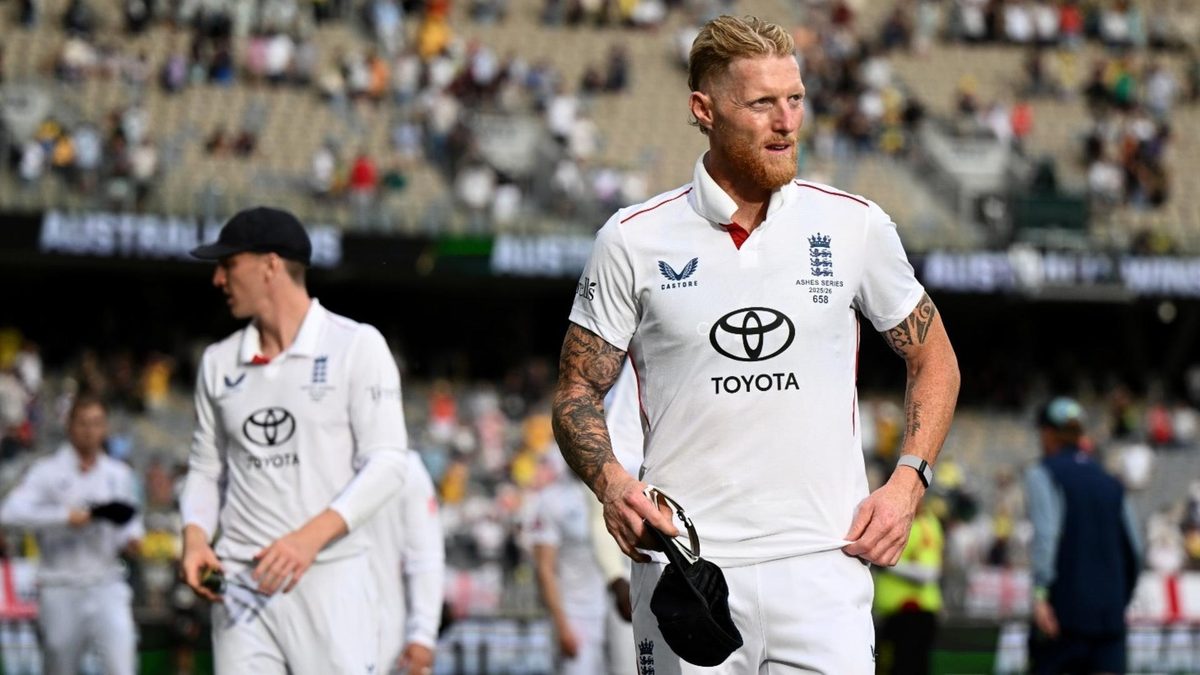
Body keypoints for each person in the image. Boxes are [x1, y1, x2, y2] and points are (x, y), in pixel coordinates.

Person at [550, 15, 960, 674]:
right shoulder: (632, 239)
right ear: (703, 110)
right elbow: (576, 392)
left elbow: (933, 356)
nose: (787, 121)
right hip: (689, 576)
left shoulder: (853, 226)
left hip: (826, 570)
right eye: (763, 103)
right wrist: (611, 481)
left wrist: (910, 479)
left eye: (794, 98)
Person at [179, 206, 409, 674]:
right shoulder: (218, 362)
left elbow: (389, 464)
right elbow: (205, 468)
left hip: (329, 577)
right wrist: (195, 539)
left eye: (228, 265)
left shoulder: (356, 345)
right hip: (239, 585)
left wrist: (307, 541)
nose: (217, 280)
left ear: (270, 265)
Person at [0, 394, 144, 675]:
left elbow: (130, 520)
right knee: (60, 667)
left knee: (122, 664)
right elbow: (9, 513)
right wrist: (64, 517)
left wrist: (133, 539)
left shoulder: (119, 474)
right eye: (83, 423)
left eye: (96, 423)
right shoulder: (47, 472)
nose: (90, 431)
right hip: (61, 585)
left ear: (105, 427)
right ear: (70, 426)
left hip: (108, 582)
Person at [1024, 397, 1142, 675]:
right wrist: (1119, 598)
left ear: (1048, 433)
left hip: (1063, 617)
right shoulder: (1111, 481)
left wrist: (1041, 596)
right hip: (1109, 619)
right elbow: (1135, 548)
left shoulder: (1044, 473)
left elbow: (1047, 535)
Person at [529, 452, 610, 675]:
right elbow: (545, 569)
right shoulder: (551, 500)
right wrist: (561, 624)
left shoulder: (611, 491)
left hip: (613, 610)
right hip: (576, 614)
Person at [368, 450, 446, 675]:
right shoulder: (312, 461)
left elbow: (425, 558)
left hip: (383, 636)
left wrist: (422, 634)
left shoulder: (406, 467)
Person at [872, 501, 944, 675]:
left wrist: (886, 562)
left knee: (907, 667)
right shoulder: (893, 520)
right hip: (891, 615)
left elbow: (928, 572)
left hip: (914, 614)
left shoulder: (924, 523)